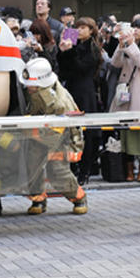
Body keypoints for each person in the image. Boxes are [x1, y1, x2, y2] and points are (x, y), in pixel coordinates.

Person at [19, 57, 88, 215]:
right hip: (38, 135)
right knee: (32, 168)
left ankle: (79, 198)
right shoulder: (36, 91)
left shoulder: (58, 102)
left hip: (59, 138)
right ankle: (38, 200)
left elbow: (53, 135)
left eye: (31, 85)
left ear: (41, 83)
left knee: (57, 172)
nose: (27, 87)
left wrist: (28, 131)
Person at [58, 16, 103, 185]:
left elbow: (81, 68)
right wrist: (63, 51)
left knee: (86, 133)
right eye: (78, 27)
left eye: (84, 28)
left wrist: (69, 52)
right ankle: (71, 168)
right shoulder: (72, 44)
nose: (80, 30)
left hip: (85, 91)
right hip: (70, 89)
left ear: (91, 30)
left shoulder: (92, 48)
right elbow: (63, 69)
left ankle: (84, 170)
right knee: (68, 131)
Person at [110, 18, 140, 181]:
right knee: (126, 132)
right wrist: (121, 45)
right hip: (126, 92)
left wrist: (131, 45)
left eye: (139, 28)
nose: (135, 30)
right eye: (134, 27)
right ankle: (129, 170)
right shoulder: (129, 45)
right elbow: (115, 63)